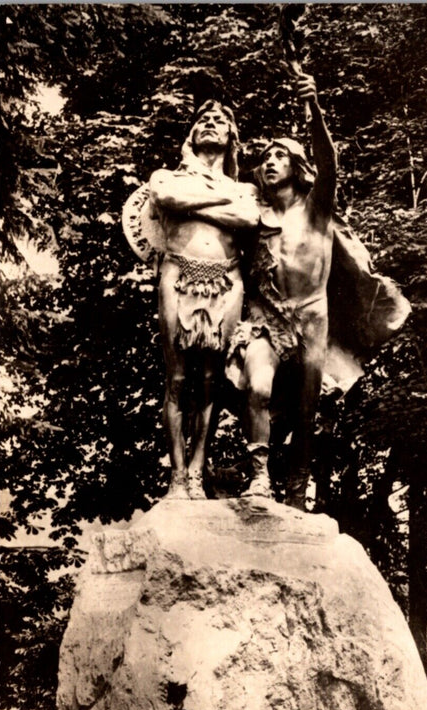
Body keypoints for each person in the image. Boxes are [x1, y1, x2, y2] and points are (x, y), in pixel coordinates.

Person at [227, 75, 411, 510]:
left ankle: (295, 491)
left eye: (280, 155)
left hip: (312, 320)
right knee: (258, 389)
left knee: (308, 413)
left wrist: (313, 108)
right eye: (266, 156)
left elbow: (329, 162)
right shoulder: (252, 216)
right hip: (264, 320)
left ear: (296, 165)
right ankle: (258, 478)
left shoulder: (316, 210)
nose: (270, 161)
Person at [132, 100, 259, 498]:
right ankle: (176, 476)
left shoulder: (245, 189)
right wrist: (222, 201)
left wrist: (206, 201)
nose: (211, 125)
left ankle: (197, 473)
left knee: (210, 382)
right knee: (176, 378)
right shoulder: (166, 177)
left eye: (220, 122)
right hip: (177, 274)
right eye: (203, 120)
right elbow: (169, 200)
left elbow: (250, 219)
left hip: (227, 281)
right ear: (191, 135)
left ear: (231, 138)